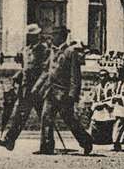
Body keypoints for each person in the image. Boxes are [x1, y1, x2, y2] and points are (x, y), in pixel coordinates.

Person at [34, 28, 93, 156]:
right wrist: (37, 87)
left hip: (64, 94)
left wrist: (72, 95)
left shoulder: (71, 52)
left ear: (62, 36)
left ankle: (86, 141)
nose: (51, 38)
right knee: (46, 117)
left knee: (69, 120)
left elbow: (75, 76)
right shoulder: (52, 51)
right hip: (50, 92)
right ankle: (46, 147)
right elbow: (46, 71)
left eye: (54, 35)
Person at [0, 23, 49, 151]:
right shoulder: (26, 50)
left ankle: (47, 145)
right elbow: (26, 68)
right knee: (20, 114)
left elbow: (45, 69)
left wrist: (39, 86)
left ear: (38, 36)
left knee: (46, 117)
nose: (30, 38)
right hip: (25, 89)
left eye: (33, 35)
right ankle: (9, 140)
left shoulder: (44, 50)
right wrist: (18, 75)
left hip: (38, 89)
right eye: (29, 36)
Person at [89, 69, 115, 145]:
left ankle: (108, 139)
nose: (102, 78)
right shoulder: (97, 87)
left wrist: (106, 104)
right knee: (94, 120)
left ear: (107, 77)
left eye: (104, 76)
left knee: (108, 120)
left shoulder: (111, 86)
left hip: (107, 106)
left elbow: (112, 98)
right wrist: (96, 105)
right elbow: (93, 99)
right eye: (101, 76)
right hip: (99, 106)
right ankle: (96, 138)